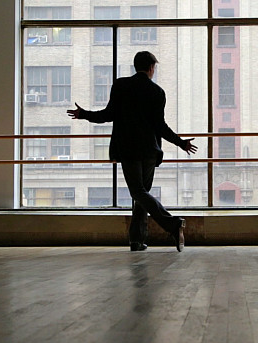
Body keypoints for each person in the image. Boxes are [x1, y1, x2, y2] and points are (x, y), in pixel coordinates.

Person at [67, 51, 197, 252]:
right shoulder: (158, 92)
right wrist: (181, 143)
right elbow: (160, 126)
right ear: (152, 68)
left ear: (136, 66)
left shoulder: (120, 85)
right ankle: (138, 240)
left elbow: (107, 115)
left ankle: (169, 226)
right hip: (150, 152)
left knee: (138, 194)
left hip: (128, 150)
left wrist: (84, 114)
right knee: (140, 194)